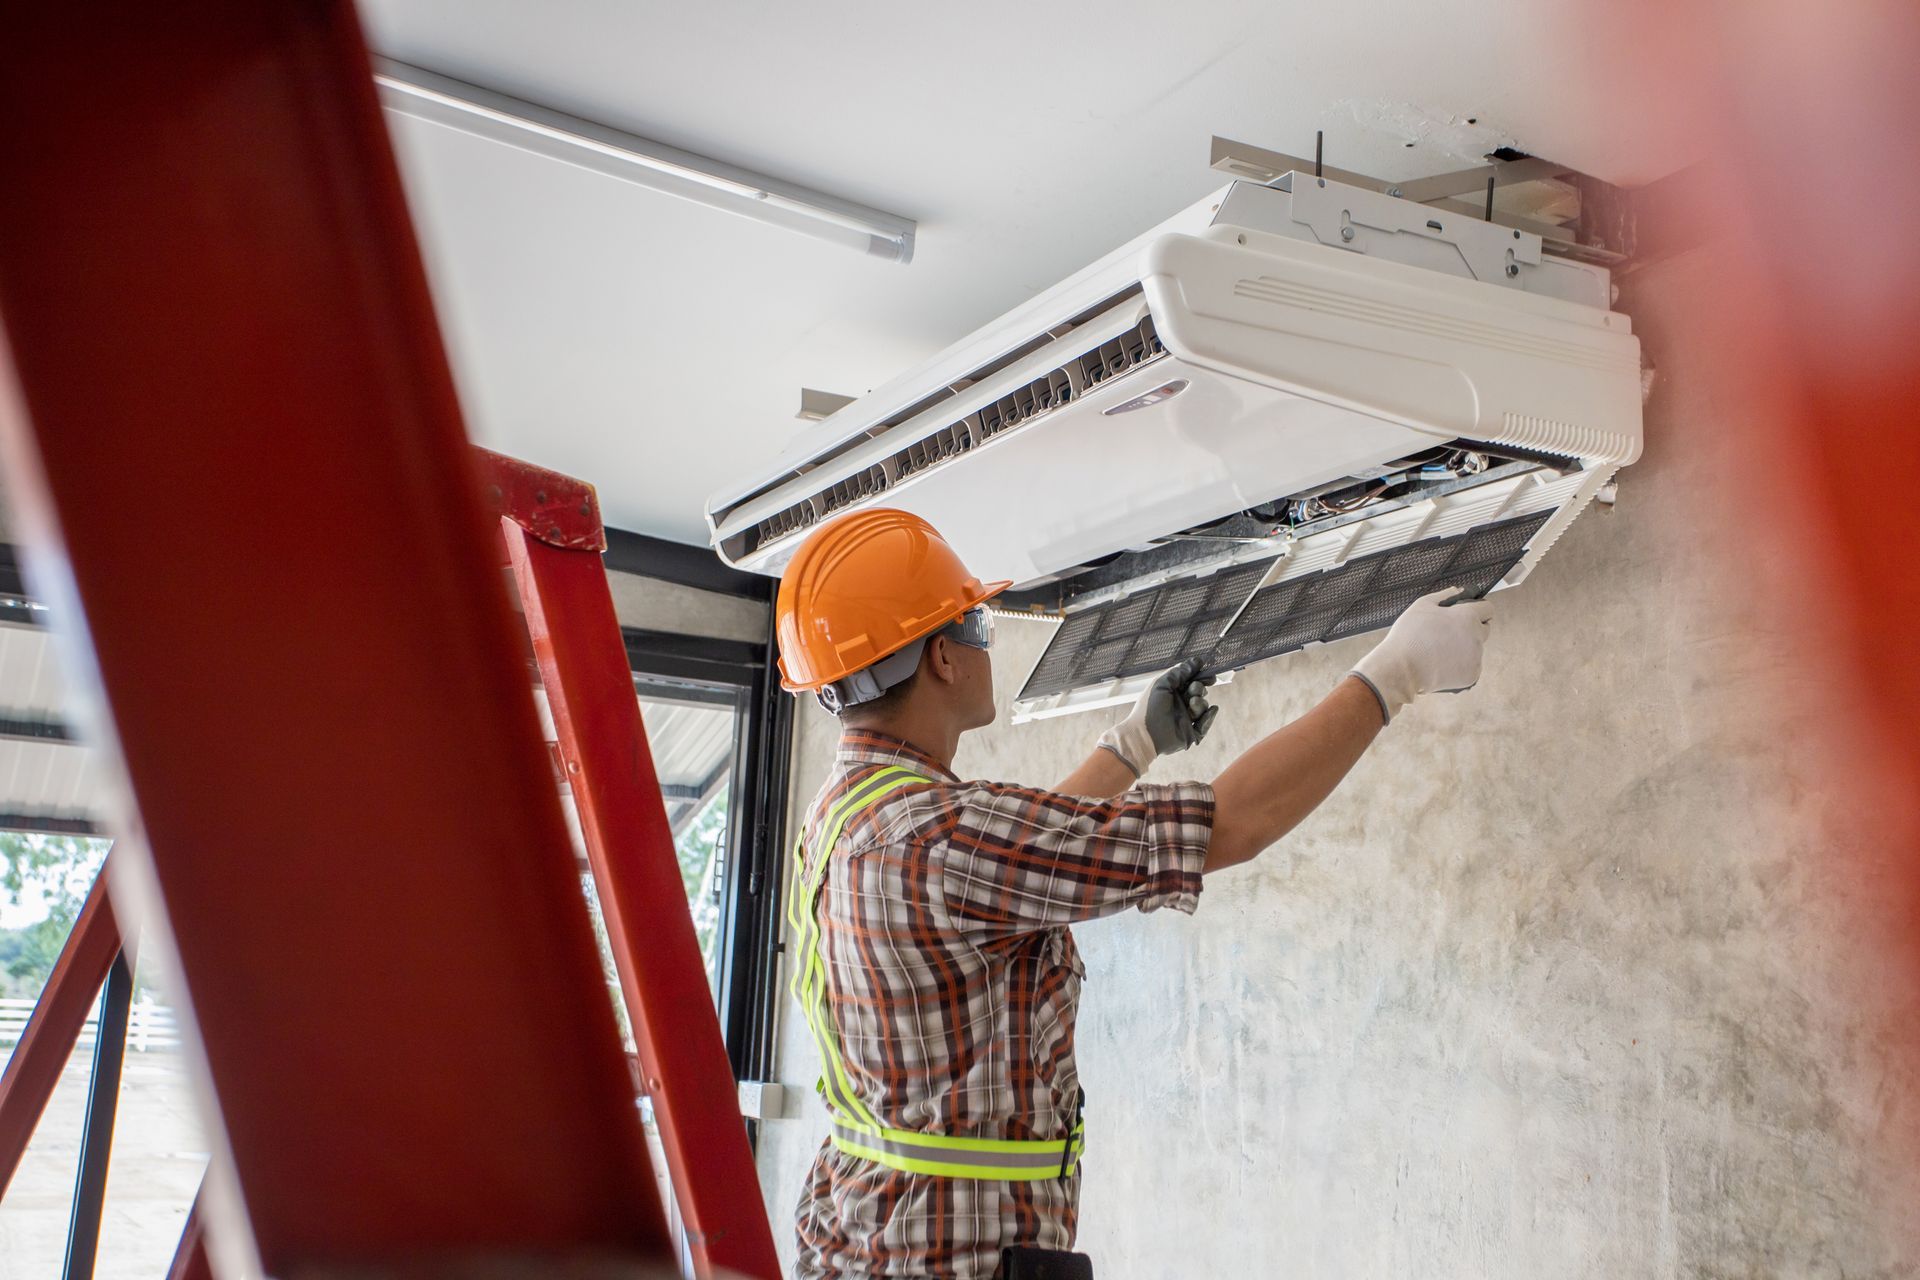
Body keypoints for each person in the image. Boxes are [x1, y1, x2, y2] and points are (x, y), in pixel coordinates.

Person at [776, 508, 1492, 1280]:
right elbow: (1230, 825)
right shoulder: (937, 835)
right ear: (943, 659)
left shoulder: (850, 814)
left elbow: (1013, 874)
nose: (986, 639)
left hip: (870, 1229)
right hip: (946, 1255)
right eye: (974, 622)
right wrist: (1395, 675)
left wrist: (1134, 743)